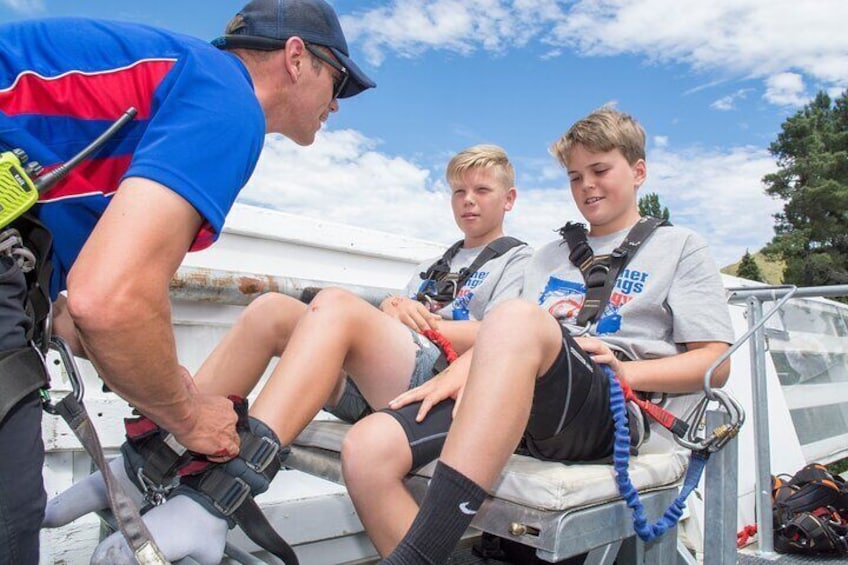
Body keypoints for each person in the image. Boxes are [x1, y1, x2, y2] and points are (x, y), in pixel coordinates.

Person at [0, 0, 374, 562]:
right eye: (338, 79)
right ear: (296, 58)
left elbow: (79, 315)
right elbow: (109, 302)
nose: (337, 104)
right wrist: (190, 418)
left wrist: (171, 392)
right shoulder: (227, 99)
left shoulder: (163, 94)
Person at [43, 144, 532, 564]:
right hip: (390, 376)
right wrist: (393, 306)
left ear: (508, 199)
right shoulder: (435, 264)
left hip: (444, 389)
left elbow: (506, 341)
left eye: (482, 191)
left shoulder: (517, 261)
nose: (467, 201)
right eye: (458, 191)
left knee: (339, 306)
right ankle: (143, 465)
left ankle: (213, 504)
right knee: (272, 310)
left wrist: (420, 320)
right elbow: (395, 330)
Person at [362, 107, 735, 564]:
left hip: (609, 407)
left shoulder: (681, 248)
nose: (586, 187)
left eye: (599, 170)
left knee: (517, 316)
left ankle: (417, 555)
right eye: (575, 177)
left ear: (639, 171)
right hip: (527, 396)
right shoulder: (548, 256)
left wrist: (627, 369)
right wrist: (463, 370)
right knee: (368, 450)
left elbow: (715, 364)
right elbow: (507, 338)